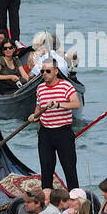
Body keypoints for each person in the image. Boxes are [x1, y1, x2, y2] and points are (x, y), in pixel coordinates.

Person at [29, 58, 80, 191]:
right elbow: (38, 108)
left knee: (69, 168)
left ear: (56, 71)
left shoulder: (66, 86)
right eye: (42, 71)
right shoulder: (40, 88)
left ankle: (75, 199)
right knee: (46, 168)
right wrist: (34, 116)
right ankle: (47, 200)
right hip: (45, 133)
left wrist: (58, 104)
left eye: (48, 71)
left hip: (63, 133)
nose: (44, 73)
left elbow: (76, 104)